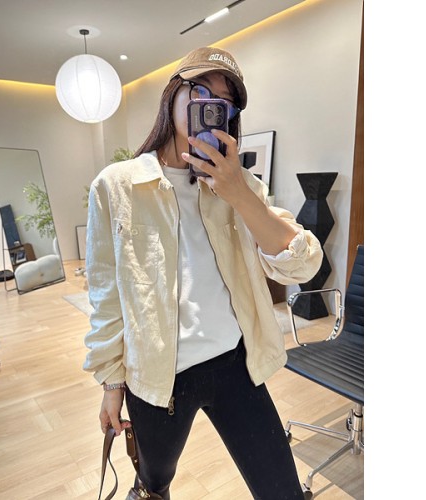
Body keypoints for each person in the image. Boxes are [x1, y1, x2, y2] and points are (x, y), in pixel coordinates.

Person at [83, 46, 323, 499]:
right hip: (159, 376)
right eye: (200, 91)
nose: (211, 106)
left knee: (283, 491)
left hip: (235, 363)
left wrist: (237, 191)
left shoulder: (242, 186)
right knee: (154, 483)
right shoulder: (116, 186)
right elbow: (106, 294)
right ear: (173, 94)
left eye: (224, 103)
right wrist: (112, 383)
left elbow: (303, 262)